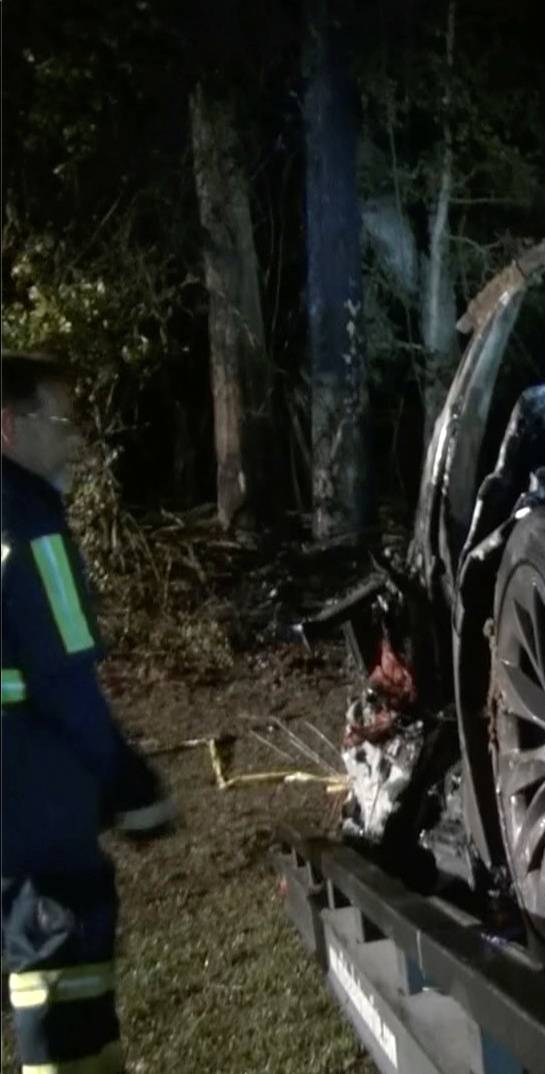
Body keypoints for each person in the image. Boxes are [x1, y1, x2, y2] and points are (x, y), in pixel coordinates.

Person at [2, 350, 175, 1074]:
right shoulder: (31, 527)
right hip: (34, 791)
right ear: (8, 427)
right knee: (61, 963)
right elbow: (65, 676)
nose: (71, 439)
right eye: (58, 421)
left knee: (28, 948)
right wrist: (127, 778)